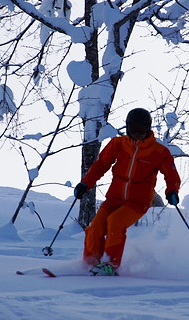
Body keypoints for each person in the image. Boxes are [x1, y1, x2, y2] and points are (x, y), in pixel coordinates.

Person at [73, 108, 181, 276]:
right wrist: (85, 184)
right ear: (127, 127)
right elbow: (101, 165)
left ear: (148, 128)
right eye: (133, 129)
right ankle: (91, 262)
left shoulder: (159, 152)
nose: (137, 133)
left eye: (141, 129)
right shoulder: (118, 144)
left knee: (115, 222)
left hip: (138, 202)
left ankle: (110, 265)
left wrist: (172, 191)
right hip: (114, 198)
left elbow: (171, 175)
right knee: (96, 227)